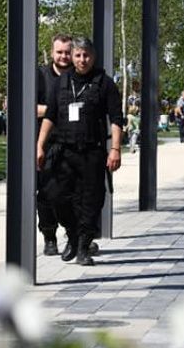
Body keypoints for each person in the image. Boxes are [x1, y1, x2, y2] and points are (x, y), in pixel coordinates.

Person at [37, 37, 124, 266]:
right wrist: (40, 145)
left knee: (90, 201)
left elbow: (116, 119)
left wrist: (115, 149)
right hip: (64, 151)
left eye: (86, 55)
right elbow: (50, 116)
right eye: (78, 55)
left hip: (92, 152)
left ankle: (84, 247)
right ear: (73, 57)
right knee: (55, 195)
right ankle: (73, 233)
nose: (82, 59)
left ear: (92, 57)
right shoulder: (62, 82)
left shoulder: (103, 83)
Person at [35, 34, 73, 257]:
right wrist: (57, 110)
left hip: (73, 143)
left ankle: (75, 235)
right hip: (46, 143)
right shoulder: (40, 76)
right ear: (52, 53)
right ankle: (49, 236)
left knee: (74, 193)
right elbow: (26, 105)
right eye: (59, 52)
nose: (63, 56)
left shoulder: (79, 76)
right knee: (47, 192)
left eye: (67, 52)